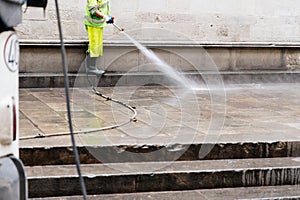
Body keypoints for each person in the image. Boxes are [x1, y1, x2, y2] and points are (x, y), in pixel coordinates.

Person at [84, 0, 114, 75]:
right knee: (94, 45)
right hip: (92, 24)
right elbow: (93, 10)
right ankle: (91, 68)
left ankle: (92, 67)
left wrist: (107, 17)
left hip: (98, 25)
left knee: (97, 46)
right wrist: (105, 17)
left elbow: (102, 8)